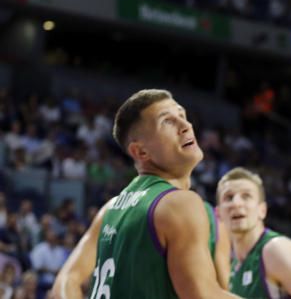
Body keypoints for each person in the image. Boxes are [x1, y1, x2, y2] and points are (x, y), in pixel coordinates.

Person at [51, 89, 238, 299]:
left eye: (182, 116)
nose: (186, 126)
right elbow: (203, 296)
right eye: (167, 122)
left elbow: (64, 283)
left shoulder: (110, 209)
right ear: (141, 152)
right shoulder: (180, 203)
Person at [217, 167, 291, 299]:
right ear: (218, 214)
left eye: (246, 196)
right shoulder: (232, 268)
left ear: (262, 210)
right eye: (229, 197)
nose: (236, 203)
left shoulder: (276, 250)